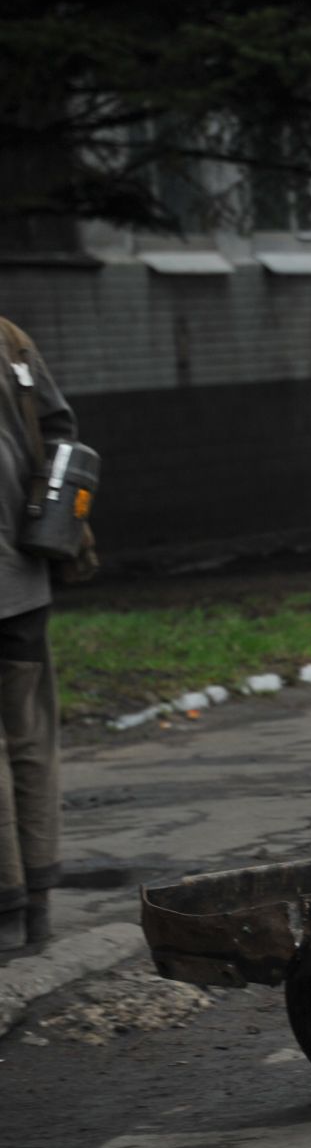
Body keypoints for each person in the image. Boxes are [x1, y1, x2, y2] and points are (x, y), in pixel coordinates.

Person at [0, 318, 75, 952]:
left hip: (17, 577)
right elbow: (60, 432)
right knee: (29, 736)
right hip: (23, 572)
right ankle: (38, 908)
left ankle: (6, 910)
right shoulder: (12, 339)